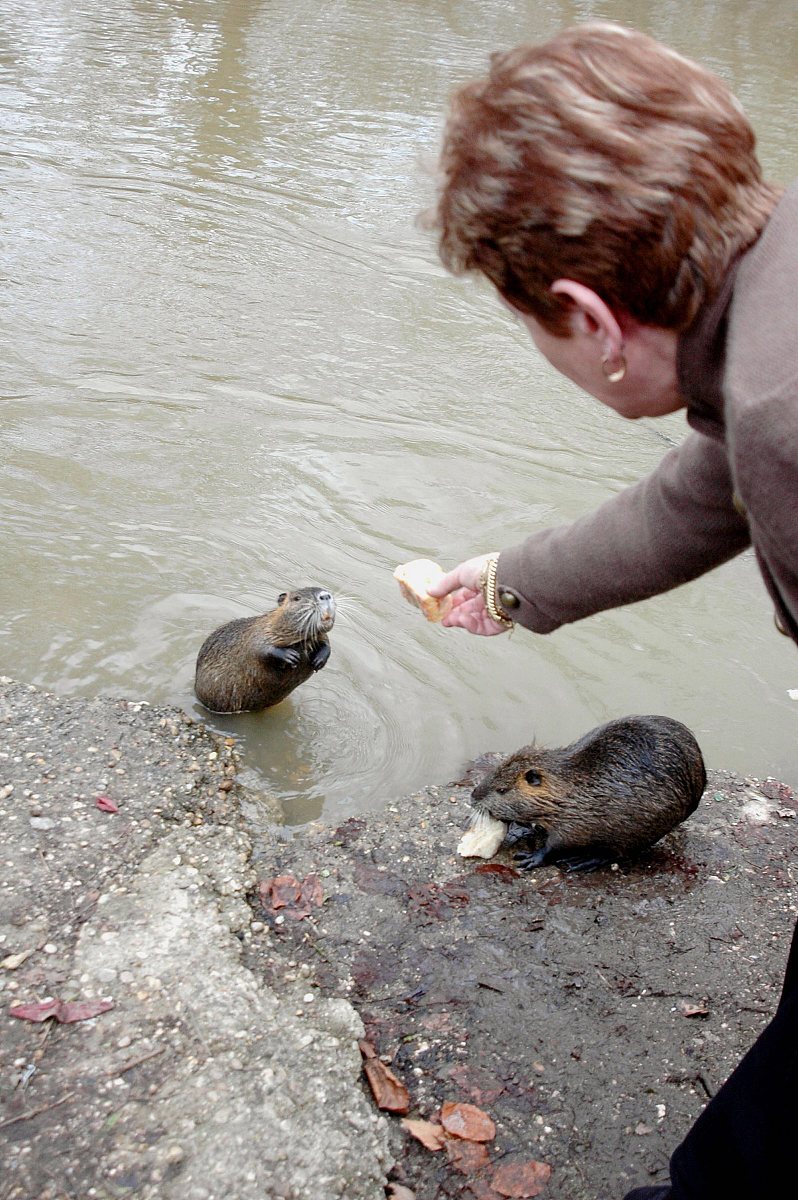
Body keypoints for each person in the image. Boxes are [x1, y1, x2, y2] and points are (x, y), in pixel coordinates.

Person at [424, 21, 798, 1200]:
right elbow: (711, 478)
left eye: (528, 326)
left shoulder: (787, 416)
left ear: (587, 318)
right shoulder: (768, 275)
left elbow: (758, 450)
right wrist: (512, 582)